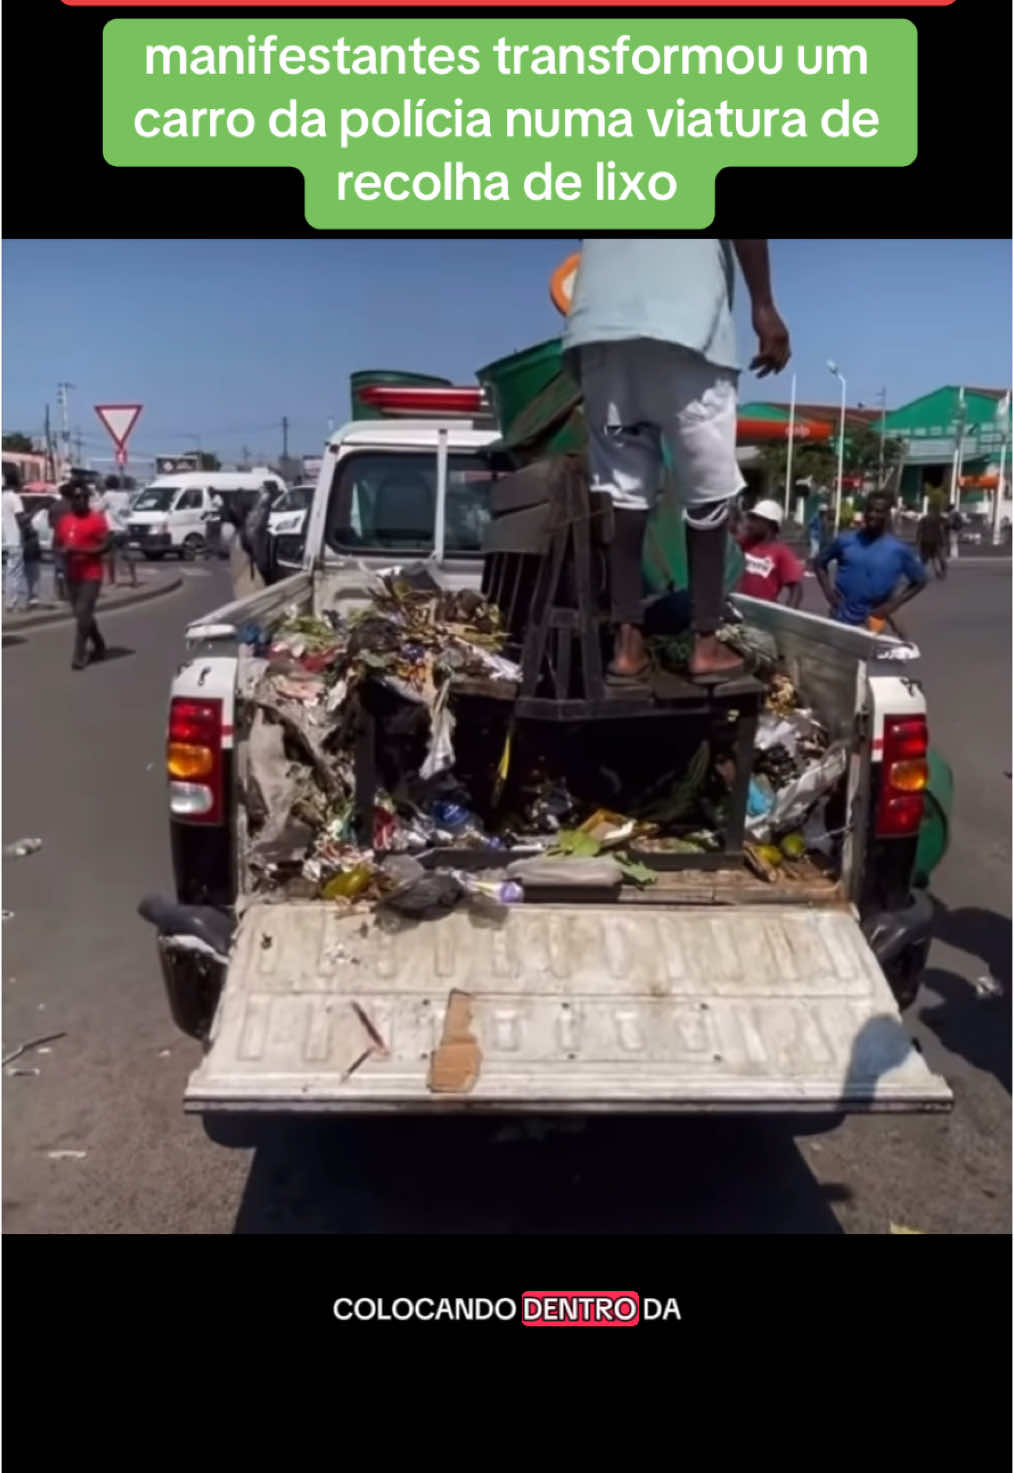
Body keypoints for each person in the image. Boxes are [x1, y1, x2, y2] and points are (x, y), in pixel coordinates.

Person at [563, 238, 791, 684]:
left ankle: (627, 648)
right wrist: (764, 307)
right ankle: (706, 646)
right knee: (707, 490)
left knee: (624, 494)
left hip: (600, 332)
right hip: (686, 326)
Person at [815, 490, 927, 630]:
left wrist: (890, 607)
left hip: (872, 622)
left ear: (887, 515)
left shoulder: (898, 550)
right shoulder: (845, 540)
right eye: (869, 510)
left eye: (878, 511)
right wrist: (829, 594)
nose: (872, 515)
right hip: (840, 618)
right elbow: (819, 563)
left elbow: (920, 581)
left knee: (870, 651)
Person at [54, 479, 111, 669]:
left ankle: (79, 656)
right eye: (75, 498)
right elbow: (57, 542)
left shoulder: (96, 520)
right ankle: (100, 645)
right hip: (72, 574)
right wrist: (60, 554)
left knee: (82, 612)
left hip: (91, 574)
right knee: (81, 615)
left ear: (87, 499)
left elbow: (105, 546)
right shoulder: (65, 521)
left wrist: (79, 550)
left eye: (82, 498)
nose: (79, 501)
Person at [735, 498, 804, 607]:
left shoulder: (782, 553)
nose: (750, 523)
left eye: (756, 519)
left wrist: (787, 617)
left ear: (770, 524)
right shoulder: (744, 543)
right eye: (751, 518)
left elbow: (796, 589)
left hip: (763, 613)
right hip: (738, 607)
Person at [99, 479, 137, 588]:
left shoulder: (107, 495)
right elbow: (127, 511)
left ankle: (112, 581)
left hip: (112, 530)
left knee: (110, 556)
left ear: (107, 485)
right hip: (124, 529)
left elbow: (98, 509)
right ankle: (134, 579)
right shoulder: (125, 495)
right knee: (127, 555)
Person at [2, 482, 28, 611]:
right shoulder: (14, 497)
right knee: (13, 573)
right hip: (13, 540)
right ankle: (10, 604)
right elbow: (21, 519)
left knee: (4, 572)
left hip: (3, 540)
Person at [917, 505, 947, 578]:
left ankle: (923, 573)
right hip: (936, 541)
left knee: (925, 559)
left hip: (926, 541)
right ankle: (940, 571)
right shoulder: (939, 518)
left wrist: (918, 541)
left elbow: (919, 531)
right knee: (936, 557)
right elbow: (947, 524)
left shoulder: (923, 519)